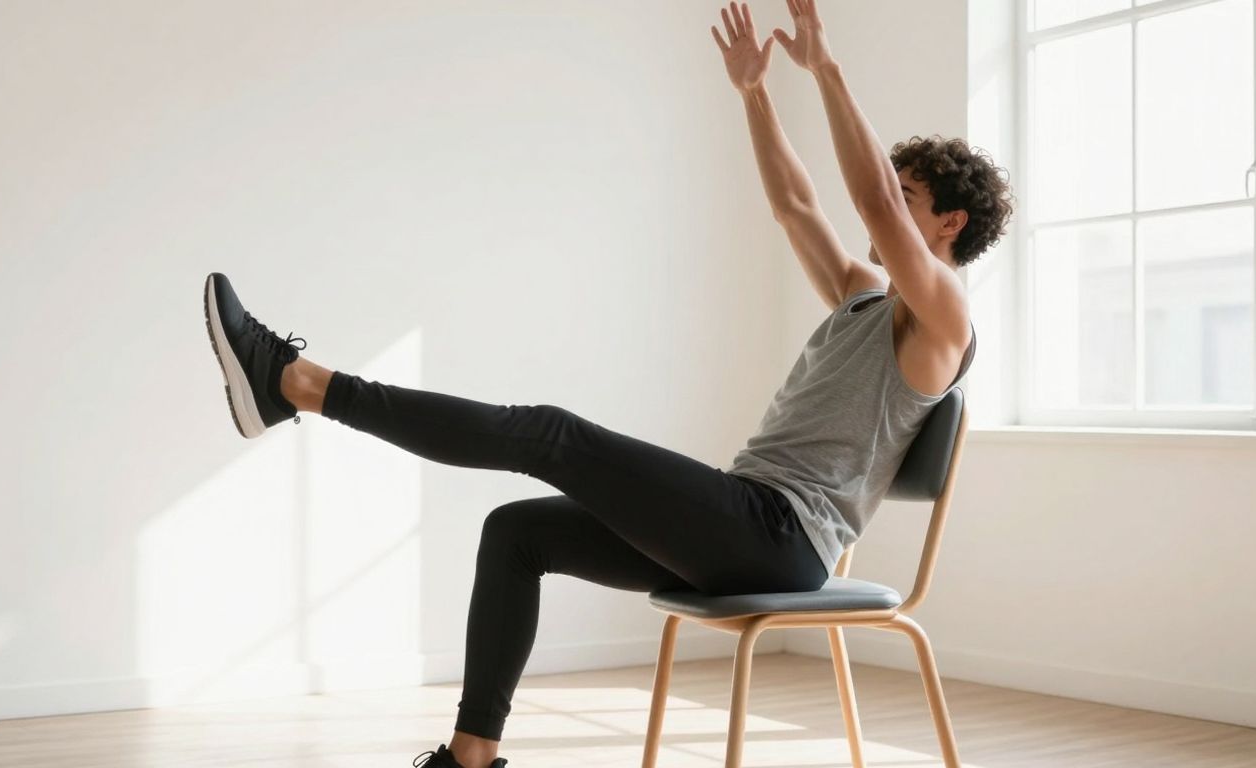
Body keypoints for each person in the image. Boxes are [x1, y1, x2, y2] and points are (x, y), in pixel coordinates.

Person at [200, 2, 1011, 766]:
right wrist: (755, 92)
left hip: (782, 539)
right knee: (517, 533)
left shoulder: (945, 321)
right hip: (743, 520)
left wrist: (826, 67)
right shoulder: (865, 297)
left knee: (550, 433)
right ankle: (470, 760)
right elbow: (797, 206)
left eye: (908, 205)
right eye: (892, 198)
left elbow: (866, 193)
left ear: (949, 225)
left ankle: (296, 383)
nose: (883, 218)